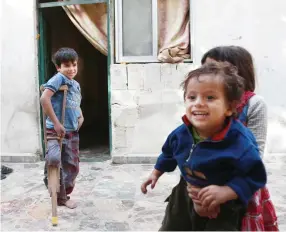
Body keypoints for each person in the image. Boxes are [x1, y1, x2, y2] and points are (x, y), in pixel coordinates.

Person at [155, 46, 278, 231]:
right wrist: (187, 184)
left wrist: (227, 191)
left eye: (217, 69)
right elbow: (175, 147)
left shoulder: (253, 107)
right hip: (192, 185)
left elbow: (256, 156)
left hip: (232, 184)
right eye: (206, 68)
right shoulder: (195, 113)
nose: (208, 75)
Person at [40, 47, 84, 209]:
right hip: (55, 130)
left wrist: (80, 115)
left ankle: (64, 192)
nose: (71, 69)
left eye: (74, 64)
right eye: (66, 65)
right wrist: (57, 123)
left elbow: (75, 103)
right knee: (53, 160)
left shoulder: (76, 84)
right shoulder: (59, 78)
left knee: (72, 166)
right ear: (59, 67)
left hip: (71, 131)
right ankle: (60, 196)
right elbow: (44, 98)